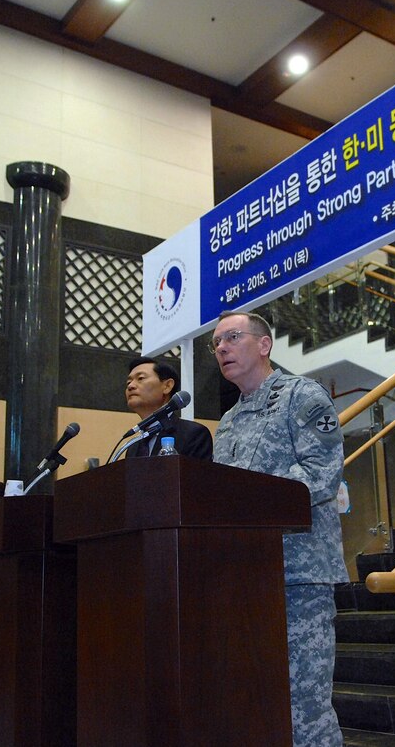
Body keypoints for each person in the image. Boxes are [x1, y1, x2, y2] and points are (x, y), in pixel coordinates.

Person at [210, 311, 346, 747]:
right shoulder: (229, 420)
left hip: (298, 576)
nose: (222, 349)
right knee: (255, 700)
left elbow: (321, 474)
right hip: (244, 577)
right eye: (216, 344)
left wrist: (249, 506)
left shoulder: (302, 396)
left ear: (264, 345)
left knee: (304, 708)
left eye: (232, 338)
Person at [124, 354, 212, 459]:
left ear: (167, 386)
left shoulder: (193, 434)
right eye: (128, 382)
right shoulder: (133, 447)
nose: (130, 386)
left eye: (140, 378)